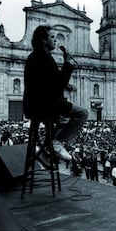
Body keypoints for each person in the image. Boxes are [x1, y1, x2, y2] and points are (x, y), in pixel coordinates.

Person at [23, 25, 88, 161]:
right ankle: (55, 144)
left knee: (63, 120)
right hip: (45, 105)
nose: (56, 40)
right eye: (52, 37)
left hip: (36, 104)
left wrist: (65, 84)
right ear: (43, 40)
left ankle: (48, 148)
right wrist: (68, 63)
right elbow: (58, 85)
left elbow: (49, 81)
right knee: (82, 113)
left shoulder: (38, 55)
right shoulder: (44, 57)